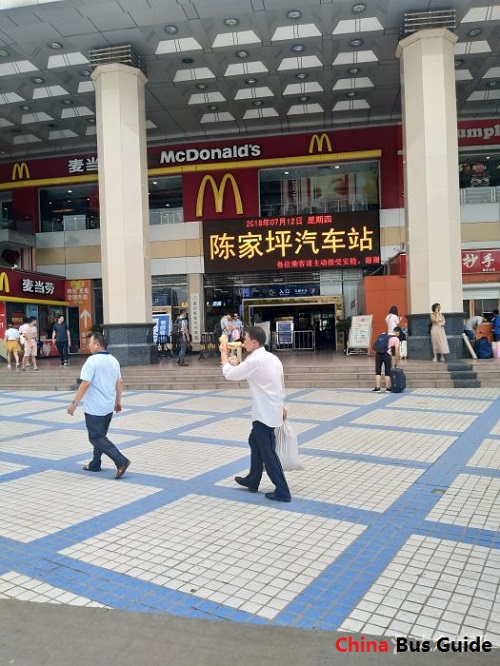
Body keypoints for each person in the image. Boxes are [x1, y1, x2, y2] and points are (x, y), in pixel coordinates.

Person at [219, 325, 291, 503]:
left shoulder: (255, 360)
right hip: (271, 410)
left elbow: (230, 374)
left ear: (254, 342)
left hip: (264, 413)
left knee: (268, 452)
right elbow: (279, 384)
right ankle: (253, 479)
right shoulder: (271, 358)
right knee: (254, 441)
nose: (243, 342)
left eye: (245, 339)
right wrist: (282, 405)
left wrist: (223, 354)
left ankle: (282, 491)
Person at [67, 332, 130, 479]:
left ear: (97, 345)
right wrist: (118, 402)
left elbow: (85, 383)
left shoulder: (92, 361)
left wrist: (74, 404)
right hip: (108, 407)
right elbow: (119, 382)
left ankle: (121, 461)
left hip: (94, 408)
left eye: (90, 343)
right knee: (100, 436)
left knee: (95, 438)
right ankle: (95, 464)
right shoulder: (114, 360)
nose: (88, 346)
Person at [372, 326, 401, 392]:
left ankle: (377, 388)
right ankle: (388, 388)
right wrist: (396, 362)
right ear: (397, 332)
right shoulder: (396, 339)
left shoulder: (383, 334)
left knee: (378, 371)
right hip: (387, 355)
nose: (398, 335)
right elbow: (397, 352)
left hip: (378, 354)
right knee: (387, 372)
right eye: (399, 334)